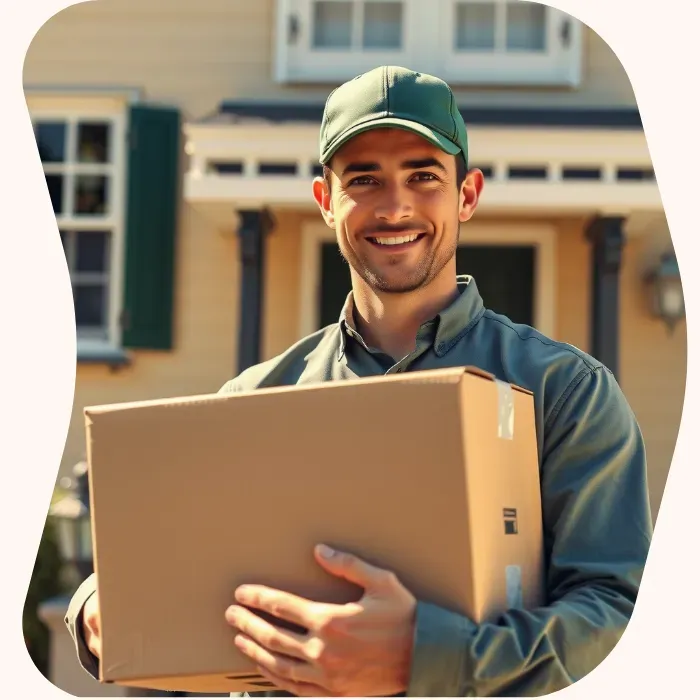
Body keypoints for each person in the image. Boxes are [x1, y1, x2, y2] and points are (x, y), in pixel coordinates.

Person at [64, 65, 653, 697]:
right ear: (325, 202)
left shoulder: (566, 394)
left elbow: (620, 619)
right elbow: (186, 574)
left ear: (467, 196)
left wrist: (431, 658)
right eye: (364, 179)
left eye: (423, 176)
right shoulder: (252, 401)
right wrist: (100, 601)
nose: (394, 206)